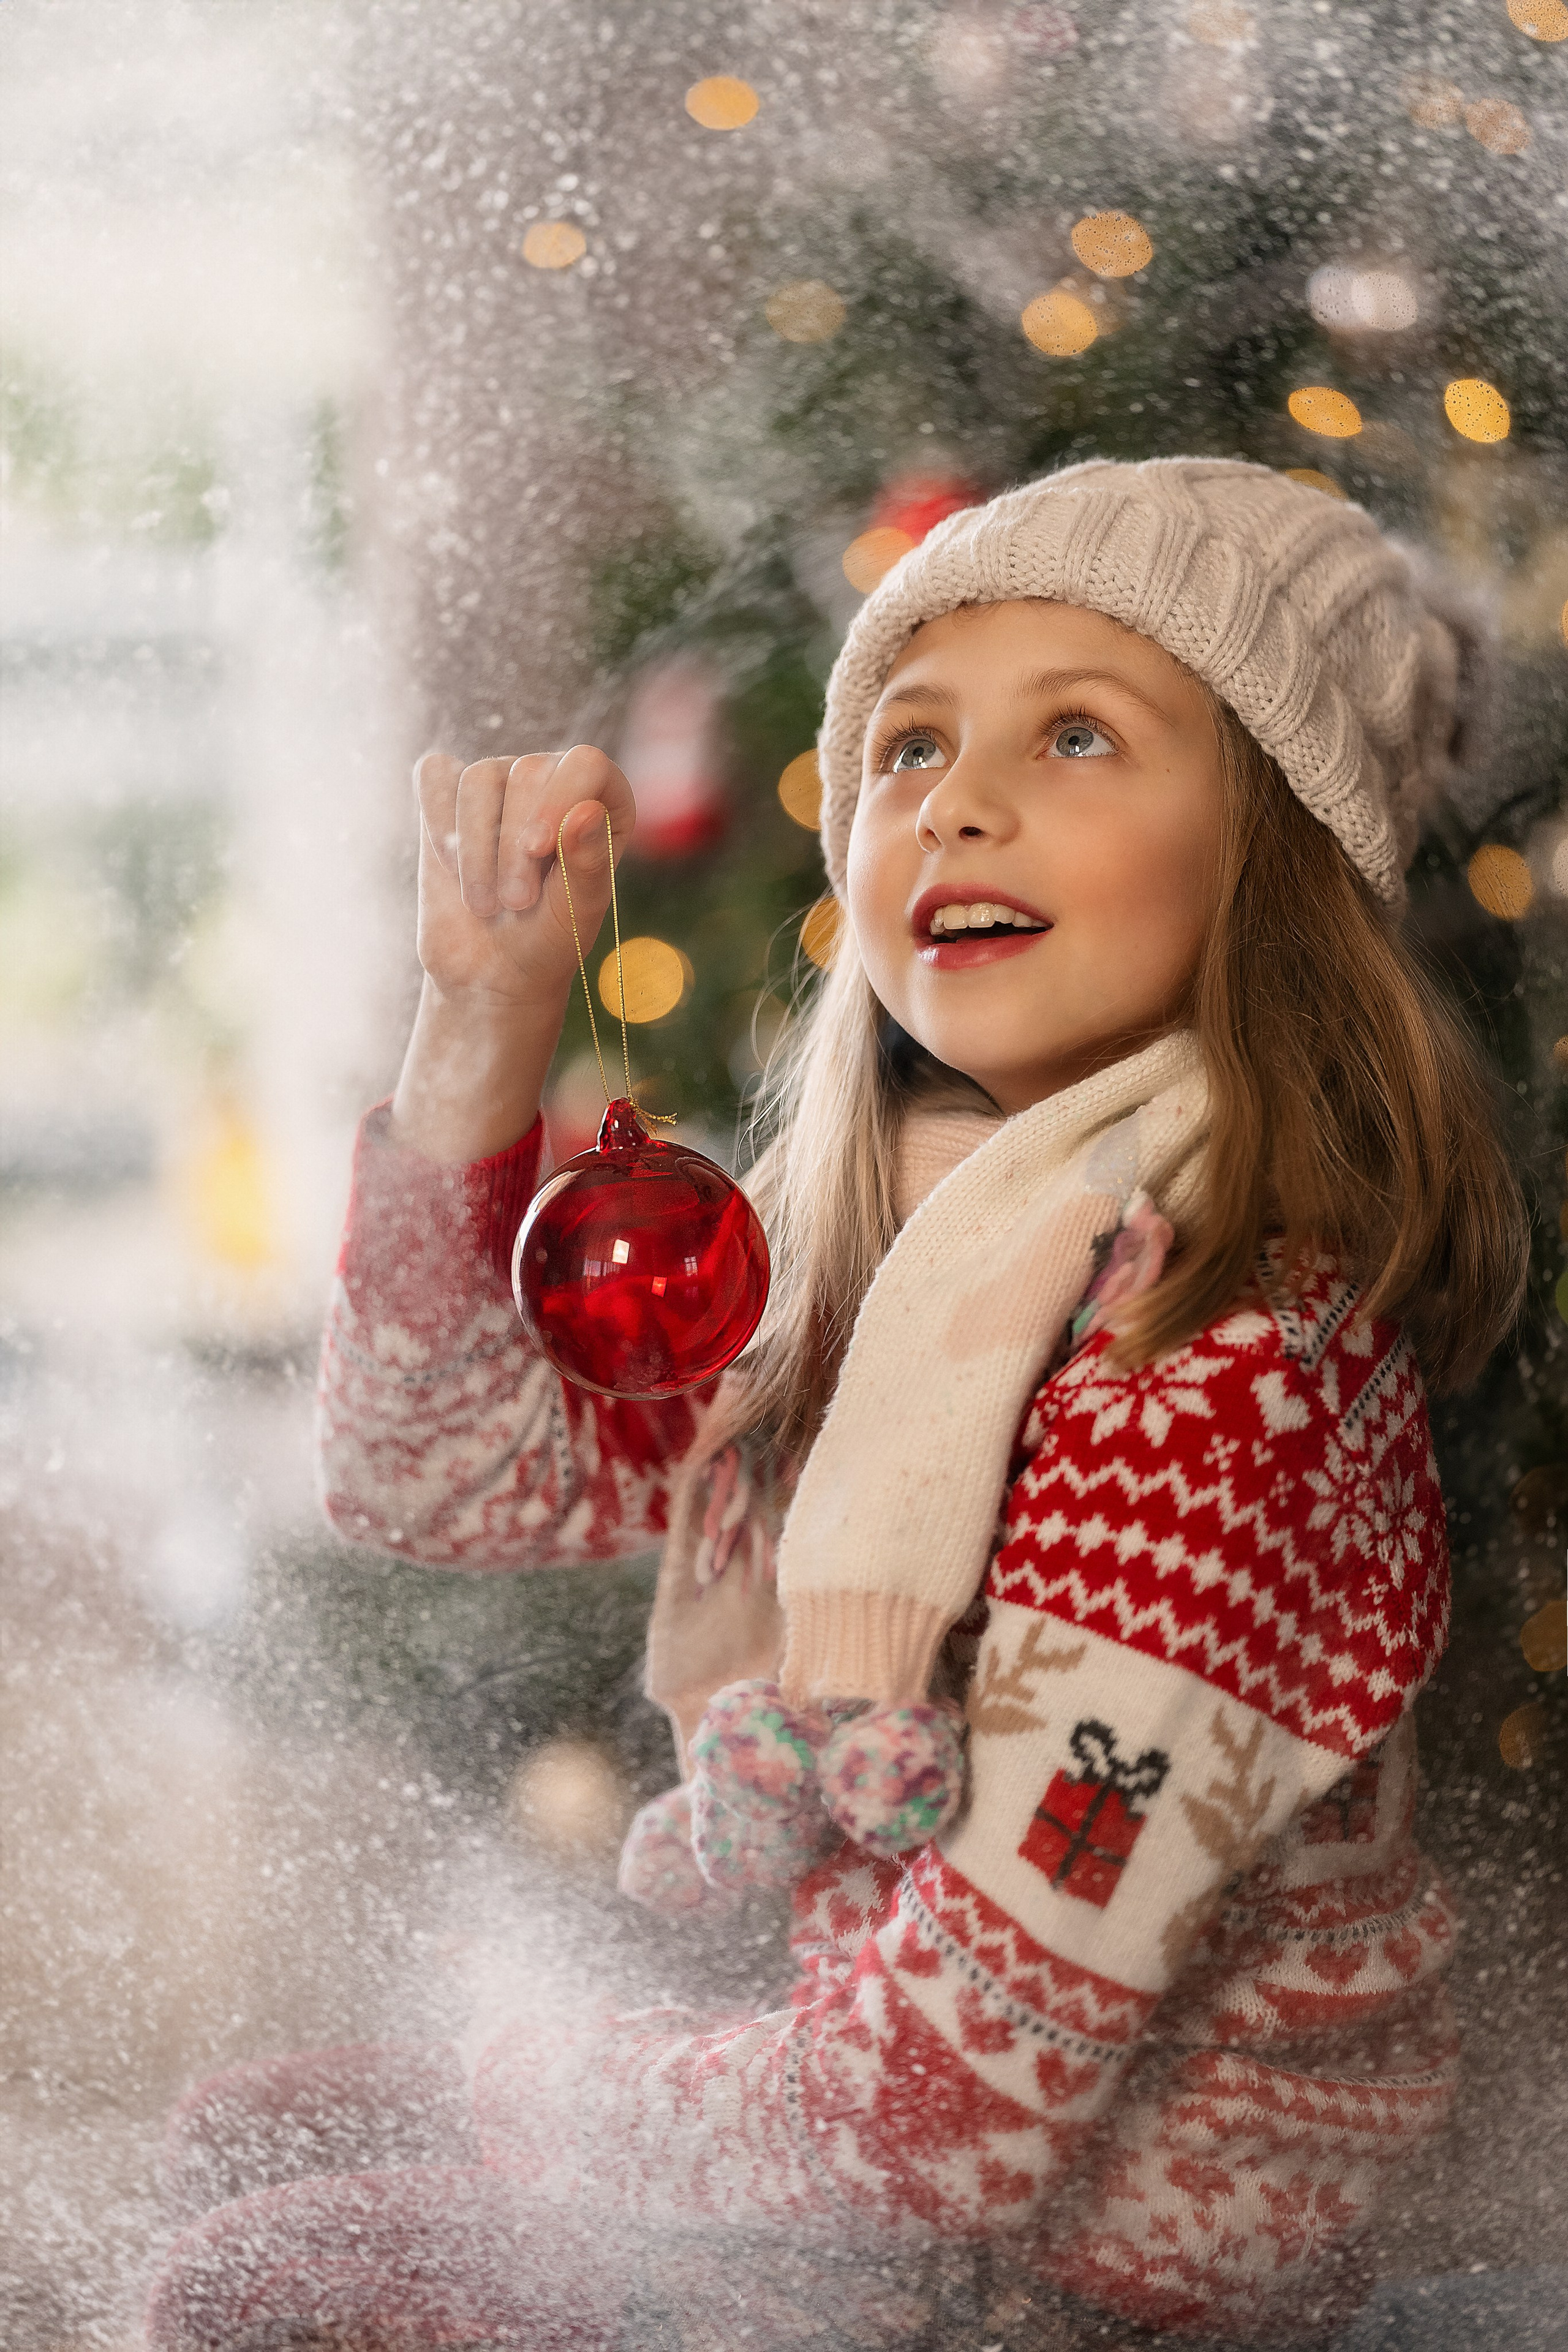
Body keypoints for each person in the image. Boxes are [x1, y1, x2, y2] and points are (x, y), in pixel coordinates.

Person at [148, 460, 1530, 2351]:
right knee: (262, 2135)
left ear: (1269, 869)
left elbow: (942, 2125)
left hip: (1101, 2274)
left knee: (264, 2279)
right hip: (916, 2178)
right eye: (908, 747)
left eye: (1077, 734)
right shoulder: (898, 1278)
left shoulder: (1235, 1381)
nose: (956, 799)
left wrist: (545, 2086)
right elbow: (431, 1476)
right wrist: (480, 1033)